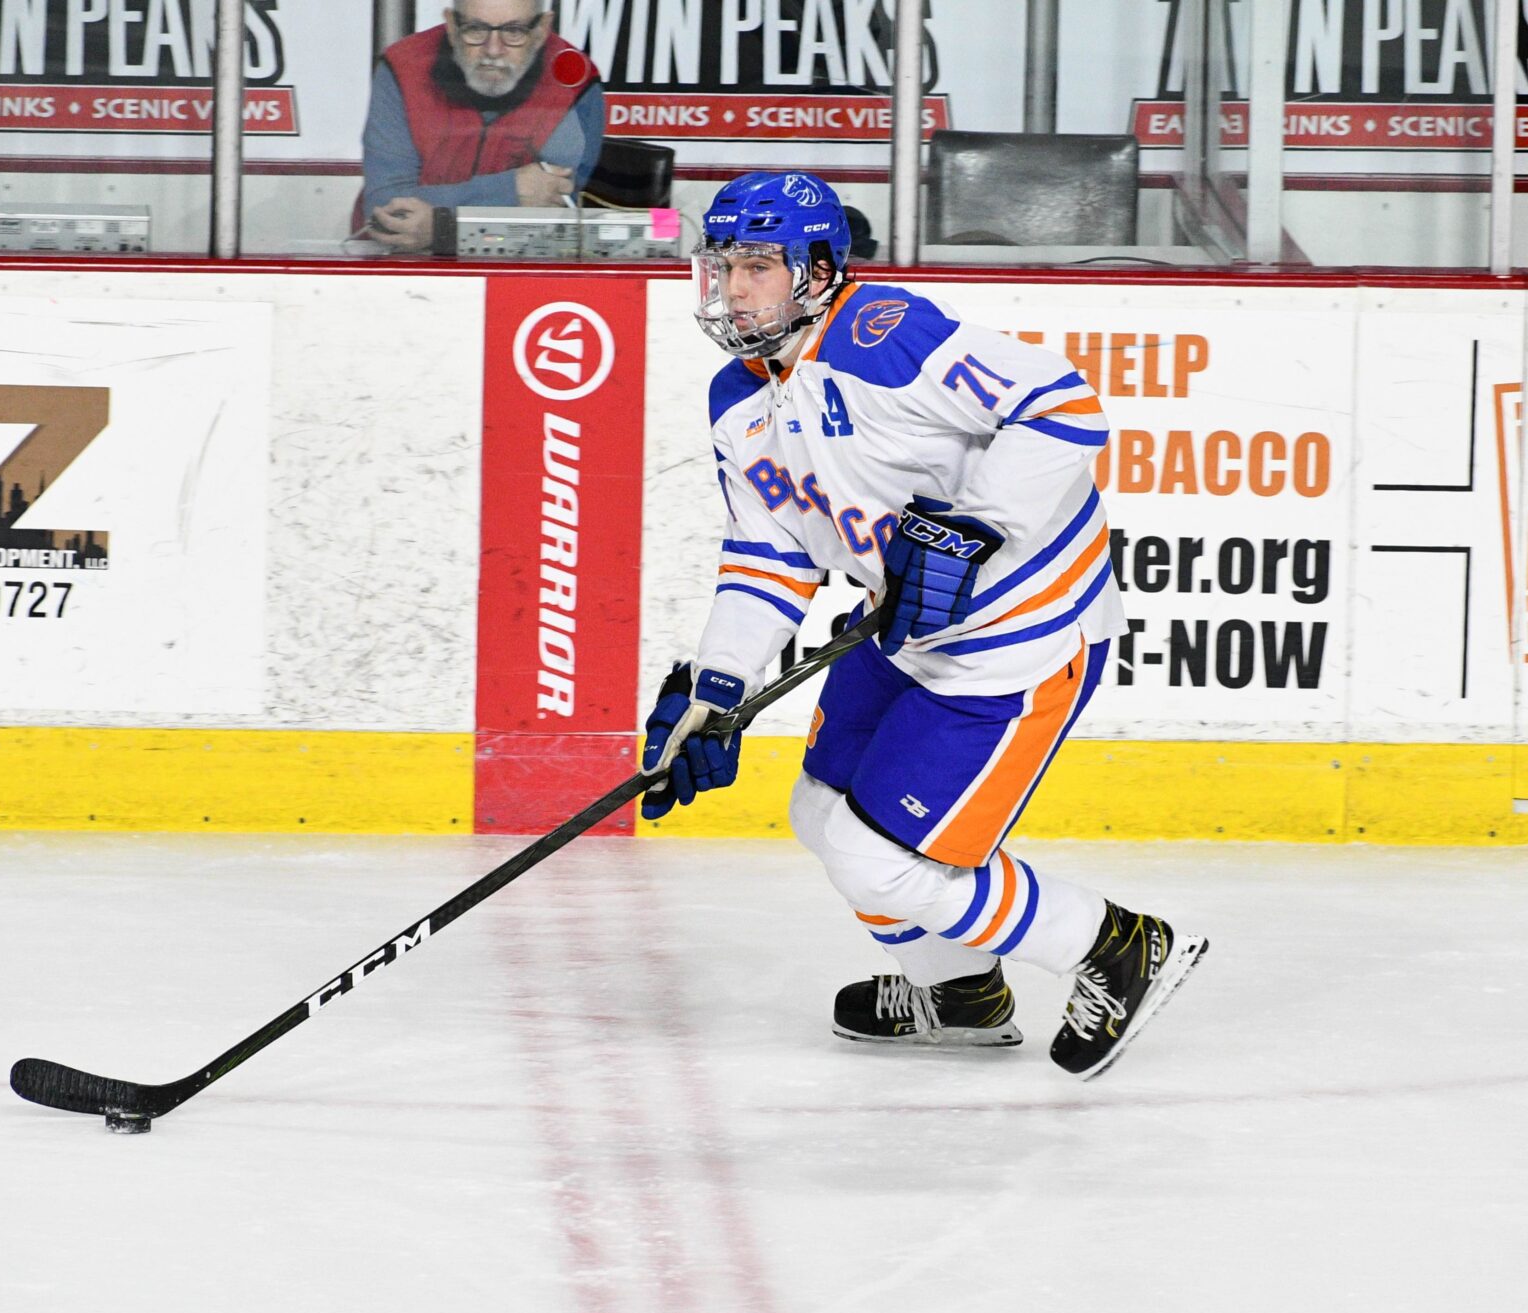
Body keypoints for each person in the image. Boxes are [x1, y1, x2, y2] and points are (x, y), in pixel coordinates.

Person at [638, 172, 1208, 1080]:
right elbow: (772, 553)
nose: (732, 288)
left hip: (1017, 638)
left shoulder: (883, 336)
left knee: (880, 861)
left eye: (756, 265)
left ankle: (1112, 944)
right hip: (900, 630)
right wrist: (719, 686)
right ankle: (962, 992)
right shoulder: (735, 398)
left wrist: (973, 527)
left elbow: (1064, 406)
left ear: (819, 269)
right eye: (722, 265)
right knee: (821, 812)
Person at [358, 2, 606, 254]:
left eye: (514, 31)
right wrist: (510, 191)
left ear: (541, 30)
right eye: (475, 29)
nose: (494, 49)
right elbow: (386, 212)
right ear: (452, 26)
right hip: (399, 268)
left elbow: (552, 222)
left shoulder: (574, 81)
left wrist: (441, 223)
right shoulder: (403, 66)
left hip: (523, 272)